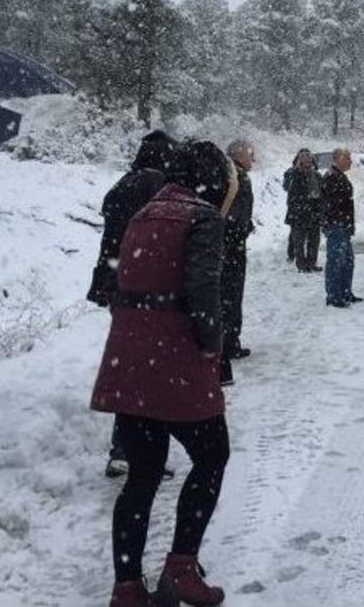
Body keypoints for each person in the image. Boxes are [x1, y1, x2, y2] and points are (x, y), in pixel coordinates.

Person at [90, 141, 236, 607]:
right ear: (212, 179)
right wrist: (214, 347)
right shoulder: (202, 217)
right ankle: (182, 565)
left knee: (143, 475)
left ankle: (127, 588)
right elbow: (202, 290)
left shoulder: (144, 212)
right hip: (175, 361)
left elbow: (121, 278)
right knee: (212, 456)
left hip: (131, 360)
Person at [87, 130, 177, 478]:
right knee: (153, 369)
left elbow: (112, 233)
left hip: (119, 284)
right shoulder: (157, 187)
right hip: (147, 286)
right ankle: (139, 450)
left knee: (131, 365)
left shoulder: (124, 184)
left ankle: (124, 449)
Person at [220, 139, 255, 385]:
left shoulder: (229, 173)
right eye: (250, 154)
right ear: (238, 155)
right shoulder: (235, 176)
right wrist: (239, 229)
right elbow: (234, 212)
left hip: (228, 241)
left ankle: (230, 341)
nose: (253, 158)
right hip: (231, 244)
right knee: (231, 293)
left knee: (230, 293)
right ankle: (228, 343)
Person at [321, 148, 362, 308]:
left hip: (342, 226)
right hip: (336, 226)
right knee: (336, 262)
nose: (351, 161)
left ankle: (345, 292)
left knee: (347, 261)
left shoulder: (339, 176)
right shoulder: (331, 177)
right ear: (337, 159)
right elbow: (329, 206)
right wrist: (335, 224)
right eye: (347, 158)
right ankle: (334, 295)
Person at [283, 148, 323, 272]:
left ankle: (312, 263)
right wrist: (296, 172)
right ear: (299, 161)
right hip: (298, 213)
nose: (307, 164)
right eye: (304, 161)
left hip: (313, 212)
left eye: (309, 161)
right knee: (298, 241)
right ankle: (301, 264)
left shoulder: (316, 175)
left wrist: (321, 210)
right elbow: (287, 187)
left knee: (314, 240)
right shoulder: (292, 174)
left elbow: (321, 193)